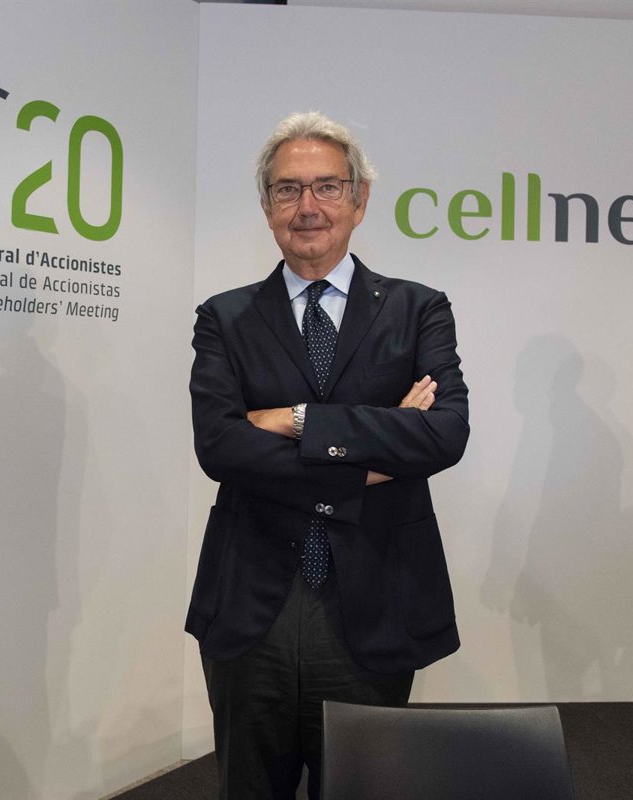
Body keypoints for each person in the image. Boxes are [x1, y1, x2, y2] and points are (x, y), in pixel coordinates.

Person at [187, 111, 469, 799]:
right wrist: (376, 449)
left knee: (363, 789)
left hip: (375, 601)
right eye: (287, 189)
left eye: (327, 187)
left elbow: (444, 434)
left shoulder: (418, 311)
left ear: (359, 200)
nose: (307, 207)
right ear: (267, 206)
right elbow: (221, 446)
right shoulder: (224, 318)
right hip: (253, 607)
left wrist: (296, 420)